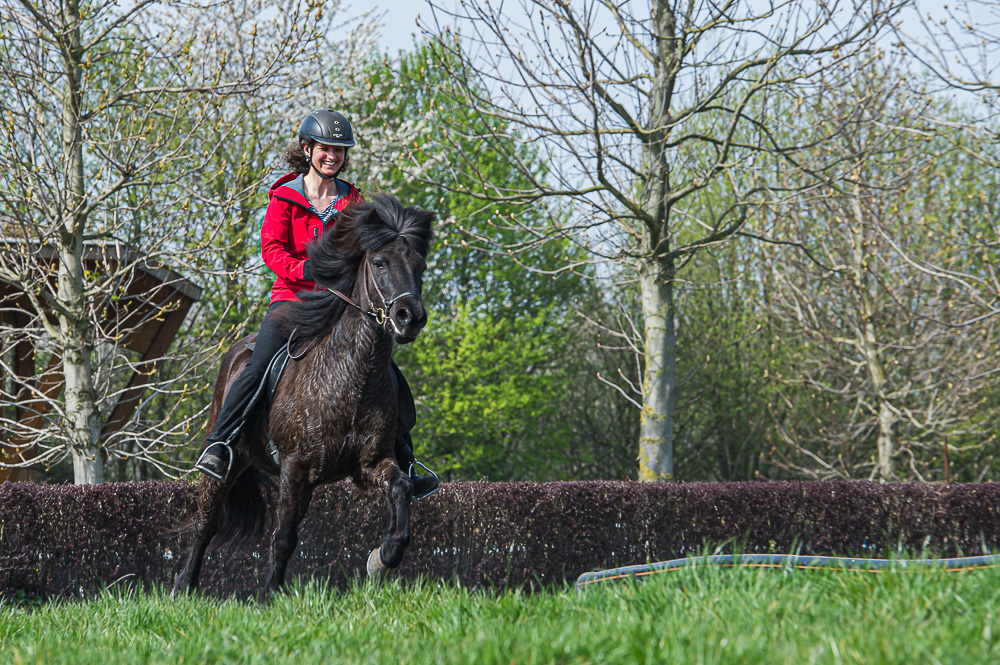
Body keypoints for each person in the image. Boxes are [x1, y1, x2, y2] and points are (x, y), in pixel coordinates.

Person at [195, 109, 439, 498]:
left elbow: (369, 255)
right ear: (307, 149)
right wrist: (308, 271)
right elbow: (271, 251)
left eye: (340, 150)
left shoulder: (354, 201)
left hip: (341, 307)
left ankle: (405, 457)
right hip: (292, 301)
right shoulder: (285, 196)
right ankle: (220, 444)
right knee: (256, 364)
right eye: (325, 148)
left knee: (385, 372)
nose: (333, 156)